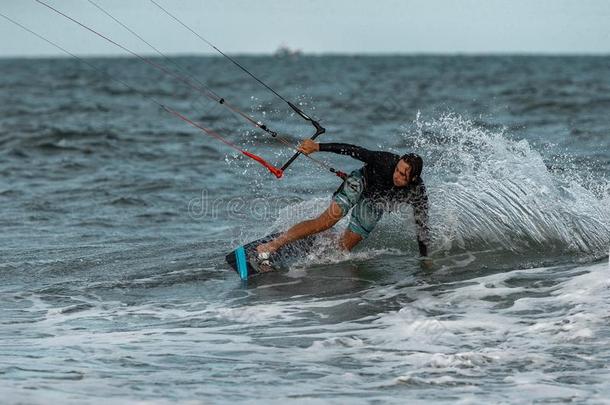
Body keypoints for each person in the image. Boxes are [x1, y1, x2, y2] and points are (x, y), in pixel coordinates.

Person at [256, 139, 430, 266]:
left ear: (413, 178)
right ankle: (271, 246)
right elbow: (352, 149)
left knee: (342, 249)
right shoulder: (385, 161)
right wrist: (317, 147)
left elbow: (422, 225)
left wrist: (424, 259)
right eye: (397, 170)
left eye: (402, 175)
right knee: (326, 221)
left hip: (376, 203)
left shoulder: (417, 192)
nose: (396, 175)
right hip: (360, 183)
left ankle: (320, 242)